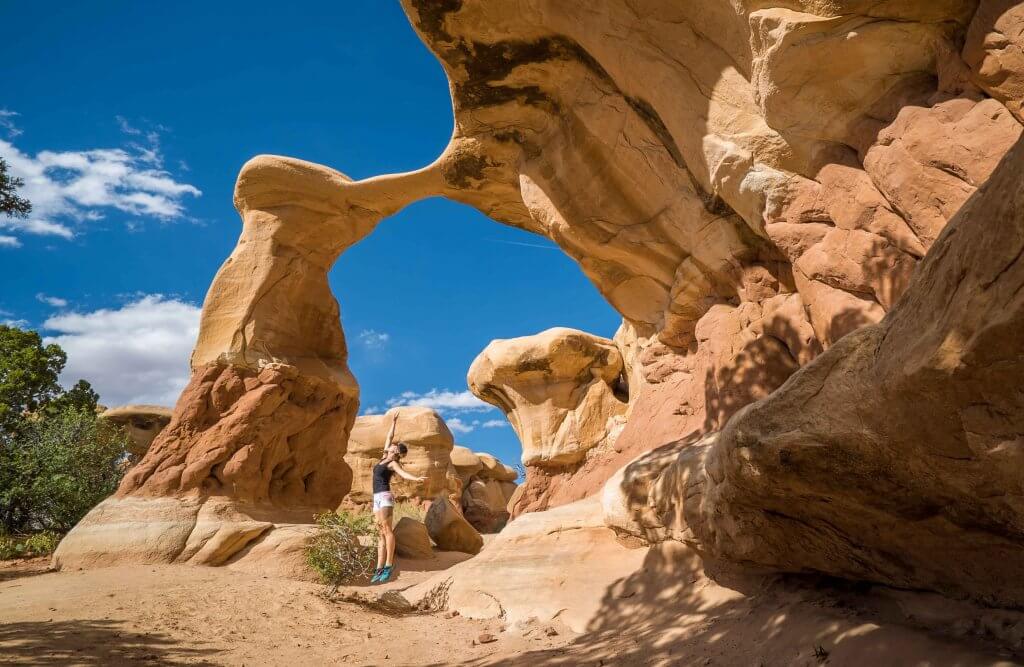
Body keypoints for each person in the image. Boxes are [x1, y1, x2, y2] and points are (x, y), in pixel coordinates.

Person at [371, 413, 426, 584]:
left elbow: (403, 474)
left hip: (385, 497)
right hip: (376, 498)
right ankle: (379, 568)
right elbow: (389, 437)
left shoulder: (392, 463)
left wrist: (416, 479)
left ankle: (389, 565)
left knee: (387, 530)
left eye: (394, 447)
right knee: (379, 532)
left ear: (396, 453)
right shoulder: (383, 458)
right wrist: (393, 423)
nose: (391, 446)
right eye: (391, 445)